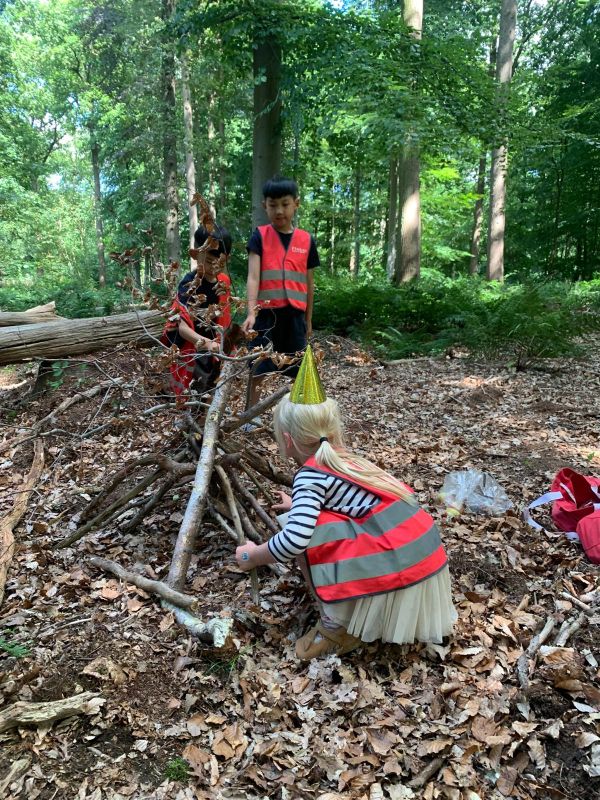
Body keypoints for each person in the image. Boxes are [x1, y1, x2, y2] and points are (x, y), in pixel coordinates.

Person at [235, 346, 457, 660]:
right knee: (305, 522)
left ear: (286, 440)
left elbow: (295, 540)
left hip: (401, 568)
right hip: (424, 559)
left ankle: (335, 625)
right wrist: (298, 503)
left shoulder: (311, 475)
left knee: (300, 533)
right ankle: (354, 614)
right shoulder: (344, 460)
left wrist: (253, 555)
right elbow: (349, 504)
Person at [241, 176, 320, 425]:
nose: (279, 211)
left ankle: (303, 420)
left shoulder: (306, 241)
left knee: (300, 370)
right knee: (258, 368)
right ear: (265, 205)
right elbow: (253, 277)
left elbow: (309, 284)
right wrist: (251, 313)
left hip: (295, 316)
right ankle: (251, 419)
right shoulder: (260, 237)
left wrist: (309, 320)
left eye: (285, 204)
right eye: (273, 205)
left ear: (296, 204)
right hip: (266, 316)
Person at [161, 225, 232, 396]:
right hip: (193, 347)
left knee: (215, 385)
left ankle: (207, 419)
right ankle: (187, 419)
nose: (214, 266)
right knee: (196, 388)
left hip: (216, 346)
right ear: (195, 254)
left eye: (220, 262)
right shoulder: (189, 284)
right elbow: (183, 328)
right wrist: (208, 345)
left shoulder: (224, 282)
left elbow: (224, 317)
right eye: (208, 260)